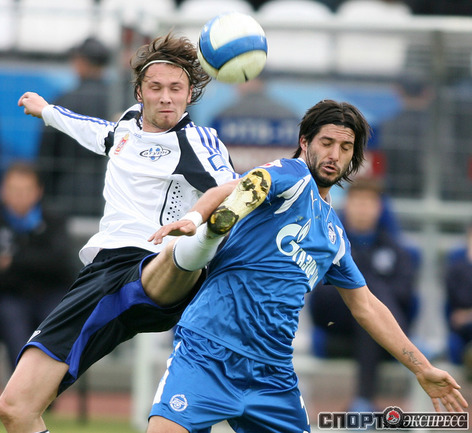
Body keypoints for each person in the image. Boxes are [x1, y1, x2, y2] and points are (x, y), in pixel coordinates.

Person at [146, 99, 468, 432]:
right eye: (326, 143)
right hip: (208, 354)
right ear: (304, 142)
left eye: (345, 148)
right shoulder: (292, 175)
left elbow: (367, 307)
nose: (334, 155)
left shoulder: (334, 236)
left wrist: (421, 368)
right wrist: (195, 218)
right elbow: (238, 187)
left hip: (272, 374)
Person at [0, 32, 238, 433]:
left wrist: (195, 220)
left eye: (176, 88)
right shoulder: (127, 124)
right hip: (102, 274)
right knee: (15, 409)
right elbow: (99, 133)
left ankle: (191, 256)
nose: (166, 97)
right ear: (140, 92)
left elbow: (235, 187)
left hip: (153, 262)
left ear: (190, 94)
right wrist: (48, 112)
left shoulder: (196, 140)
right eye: (156, 87)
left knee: (177, 255)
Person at [308, 177, 418, 412]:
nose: (362, 209)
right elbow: (320, 296)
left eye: (369, 203)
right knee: (366, 293)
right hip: (336, 325)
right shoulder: (329, 243)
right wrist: (361, 290)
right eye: (358, 202)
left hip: (371, 332)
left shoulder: (396, 249)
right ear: (347, 205)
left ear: (379, 208)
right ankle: (407, 345)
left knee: (369, 310)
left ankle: (363, 403)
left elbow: (406, 293)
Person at [0, 161, 74, 371]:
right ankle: (22, 384)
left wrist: (13, 261)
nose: (19, 196)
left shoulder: (54, 219)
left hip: (50, 295)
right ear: (3, 190)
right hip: (10, 297)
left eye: (25, 190)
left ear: (38, 191)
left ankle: (50, 385)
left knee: (56, 327)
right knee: (13, 322)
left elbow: (59, 262)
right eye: (13, 189)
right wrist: (33, 262)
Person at [38, 36, 112, 217]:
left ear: (81, 63)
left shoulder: (62, 102)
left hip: (66, 195)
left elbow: (46, 156)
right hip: (110, 195)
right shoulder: (119, 102)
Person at [445, 222, 472, 378]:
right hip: (463, 331)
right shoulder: (457, 266)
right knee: (454, 345)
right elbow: (458, 301)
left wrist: (467, 315)